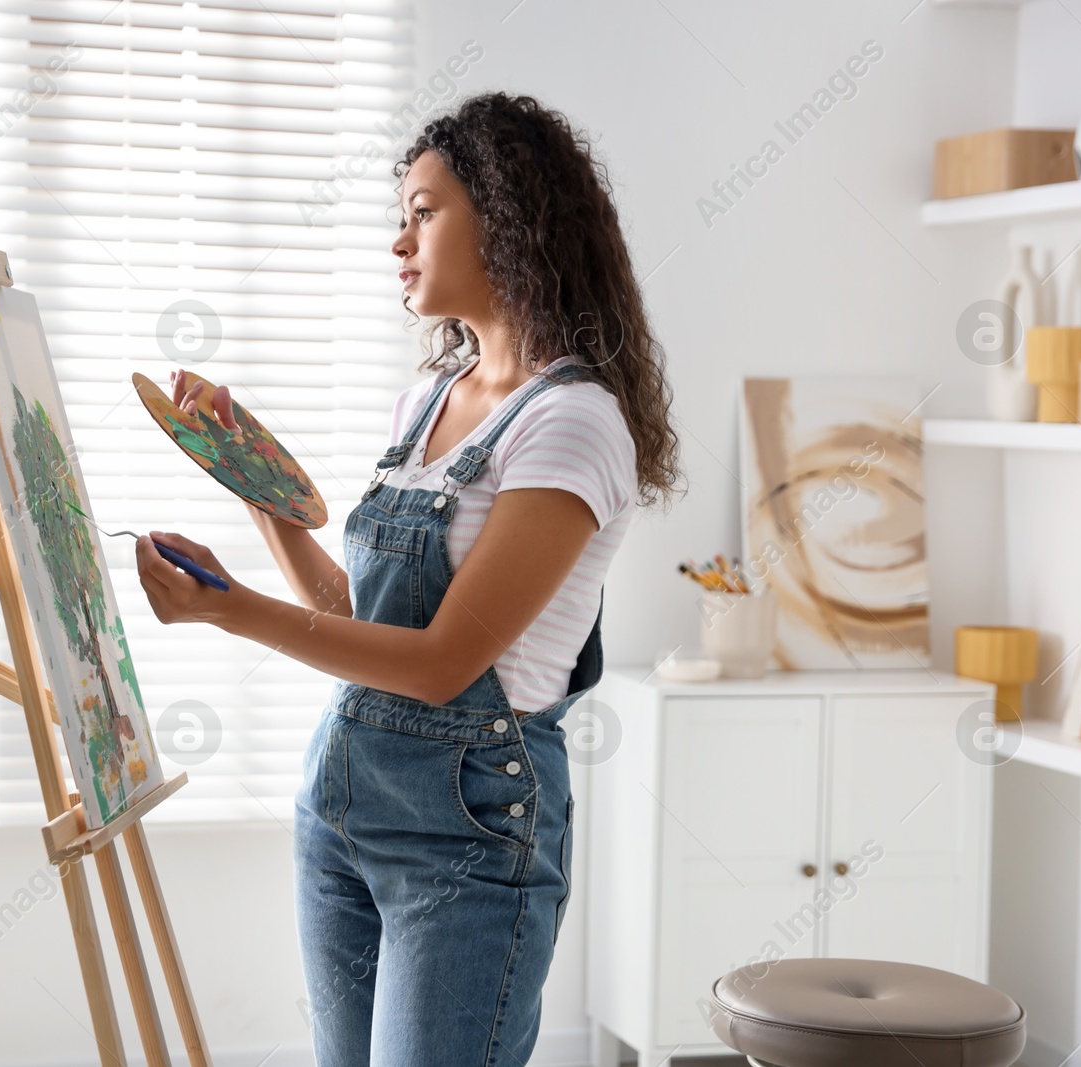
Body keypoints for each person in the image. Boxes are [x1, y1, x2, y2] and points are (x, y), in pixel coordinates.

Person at [135, 91, 682, 1067]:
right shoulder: (427, 395)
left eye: (423, 212)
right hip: (342, 807)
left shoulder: (572, 423)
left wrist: (229, 613)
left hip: (467, 834)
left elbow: (439, 664)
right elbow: (357, 615)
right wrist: (251, 480)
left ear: (507, 214)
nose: (400, 241)